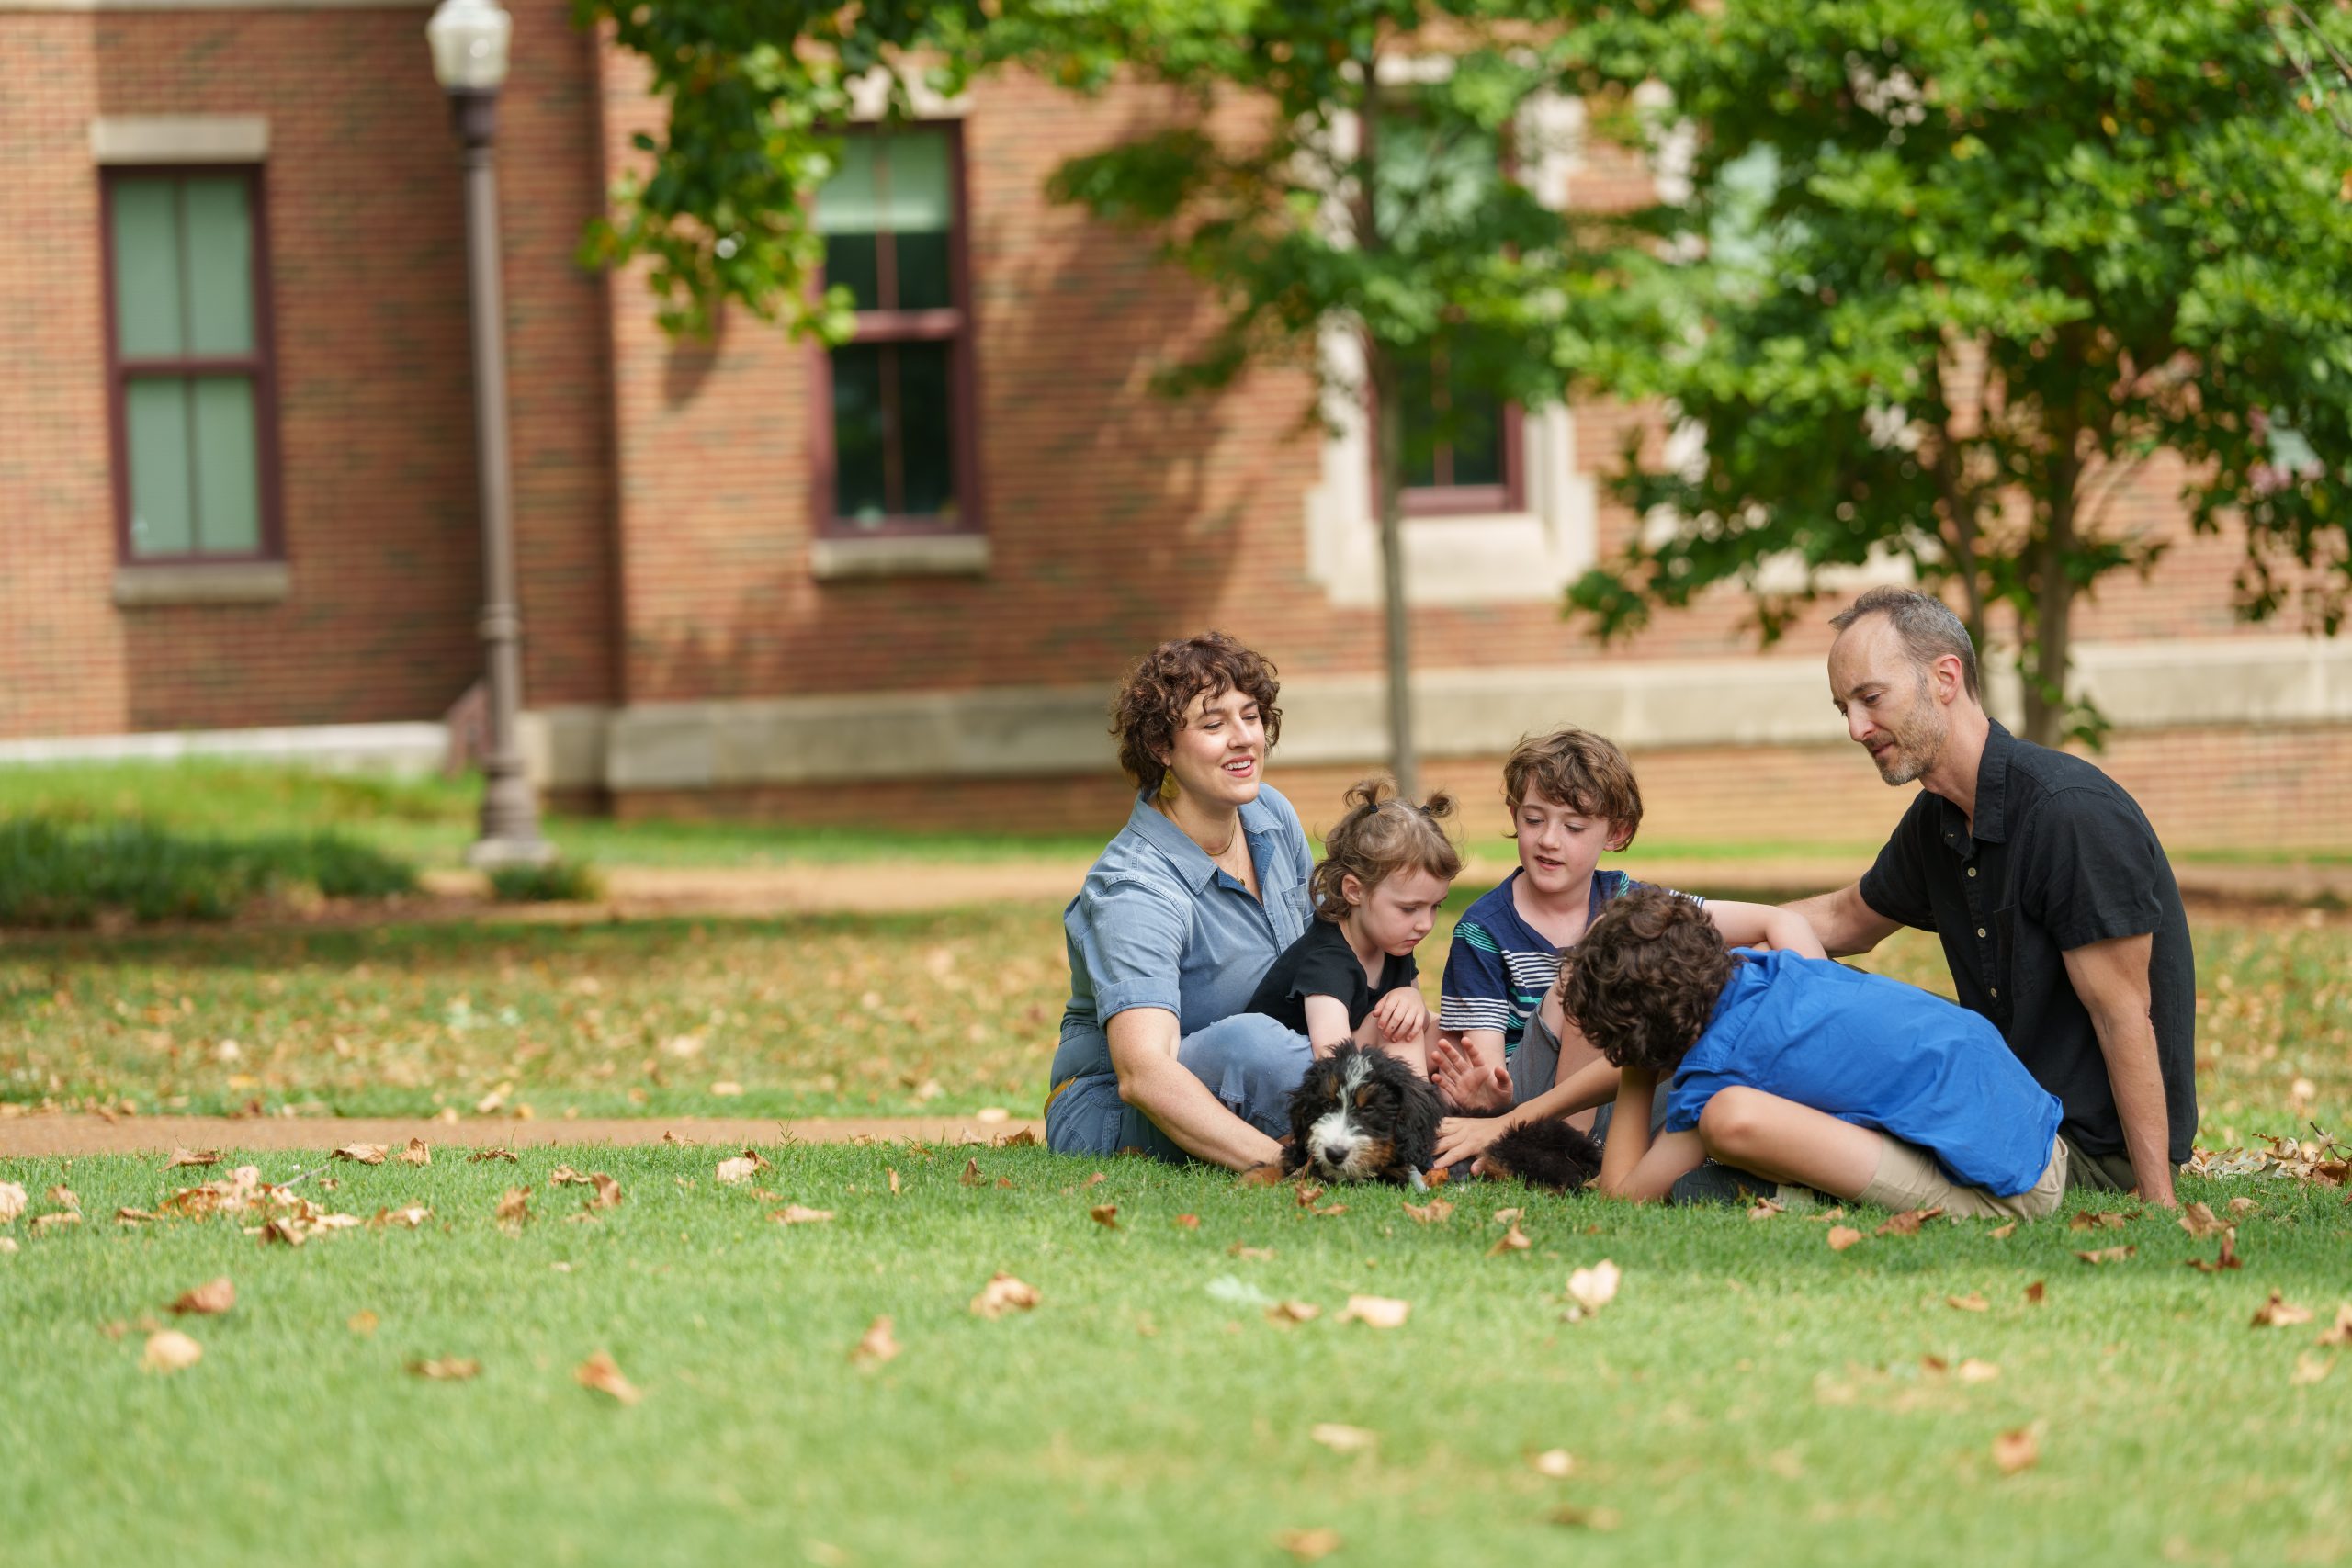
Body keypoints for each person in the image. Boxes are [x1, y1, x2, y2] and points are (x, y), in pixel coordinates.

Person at [1785, 587, 2197, 1206]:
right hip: (2000, 1114)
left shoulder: (2068, 814)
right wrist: (1690, 927)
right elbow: (1847, 918)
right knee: (1838, 1013)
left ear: (1945, 677)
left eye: (1871, 698)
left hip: (2083, 1153)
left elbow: (2123, 1016)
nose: (1855, 727)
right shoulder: (1940, 818)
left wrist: (2157, 1198)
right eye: (1844, 707)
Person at [1426, 727, 1824, 1170]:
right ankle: (1565, 1156)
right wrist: (1493, 1097)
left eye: (1574, 826)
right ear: (1514, 814)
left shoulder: (1632, 900)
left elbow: (1781, 921)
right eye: (1534, 820)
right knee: (1597, 956)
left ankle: (1794, 1117)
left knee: (1752, 959)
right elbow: (1491, 1074)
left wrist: (1822, 1018)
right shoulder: (1484, 928)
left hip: (1615, 1087)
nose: (1549, 840)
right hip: (1525, 1103)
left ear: (1615, 832)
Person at [1576, 889, 2070, 1218]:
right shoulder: (1770, 966)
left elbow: (1624, 1195)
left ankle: (1796, 1198)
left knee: (1730, 1119)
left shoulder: (1716, 1073)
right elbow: (1778, 920)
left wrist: (1634, 1071)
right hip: (2027, 1119)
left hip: (2014, 1190)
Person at [1046, 632, 1317, 1171]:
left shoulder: (1270, 814)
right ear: (1161, 748)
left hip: (1268, 1068)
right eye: (1214, 725)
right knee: (1251, 1046)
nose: (1243, 739)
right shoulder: (1134, 887)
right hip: (1114, 1114)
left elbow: (1328, 958)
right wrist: (1288, 1169)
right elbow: (1143, 1074)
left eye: (1251, 716)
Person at [1241, 777, 1458, 1074]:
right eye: (1409, 908)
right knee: (1392, 1026)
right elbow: (1332, 1061)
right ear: (1354, 891)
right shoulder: (1327, 961)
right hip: (1278, 1082)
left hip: (1354, 1069)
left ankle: (1457, 1106)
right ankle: (1422, 1117)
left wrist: (1412, 999)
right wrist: (1399, 1017)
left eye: (1435, 906)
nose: (1425, 924)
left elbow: (1415, 1019)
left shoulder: (1394, 938)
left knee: (1448, 1033)